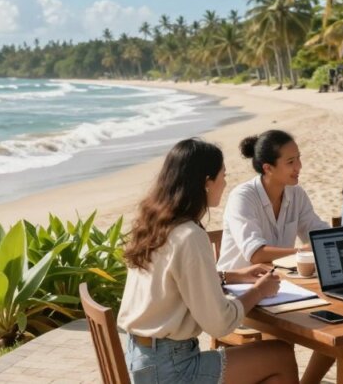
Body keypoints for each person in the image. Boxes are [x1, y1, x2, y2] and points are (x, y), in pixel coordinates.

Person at [117, 138, 298, 384]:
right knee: (280, 356)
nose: (224, 183)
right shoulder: (190, 235)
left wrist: (233, 276)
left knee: (273, 357)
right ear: (206, 183)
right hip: (171, 369)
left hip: (142, 360)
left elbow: (174, 284)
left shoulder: (156, 225)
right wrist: (258, 291)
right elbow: (219, 323)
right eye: (222, 175)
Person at [217, 130, 329, 270]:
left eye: (298, 158)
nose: (299, 166)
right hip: (237, 287)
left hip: (277, 281)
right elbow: (256, 254)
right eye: (290, 162)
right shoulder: (242, 198)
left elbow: (320, 233)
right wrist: (303, 252)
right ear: (268, 168)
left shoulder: (297, 194)